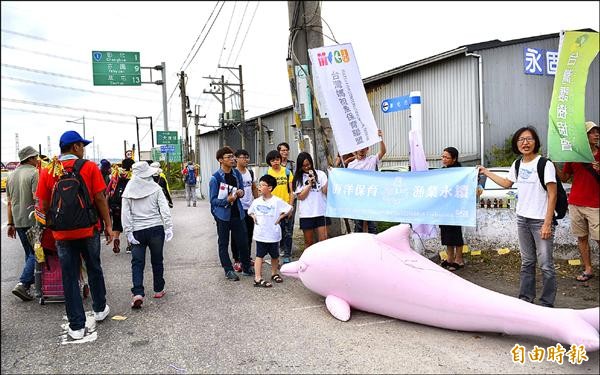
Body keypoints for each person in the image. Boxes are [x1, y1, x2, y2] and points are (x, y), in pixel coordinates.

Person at [36, 130, 114, 340]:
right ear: (76, 147)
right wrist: (108, 224)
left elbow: (42, 205)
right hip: (88, 229)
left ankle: (77, 326)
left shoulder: (49, 171)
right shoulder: (88, 167)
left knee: (69, 276)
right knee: (94, 267)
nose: (83, 149)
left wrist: (48, 228)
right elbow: (99, 197)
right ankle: (99, 309)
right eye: (82, 145)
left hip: (61, 234)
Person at [478, 126, 557, 307]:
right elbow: (506, 183)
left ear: (536, 142)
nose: (525, 143)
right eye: (521, 140)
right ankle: (525, 299)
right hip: (522, 219)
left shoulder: (545, 164)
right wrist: (487, 172)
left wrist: (547, 223)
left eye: (529, 139)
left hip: (540, 221)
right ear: (516, 143)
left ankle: (546, 302)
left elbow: (553, 195)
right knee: (527, 262)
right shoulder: (518, 164)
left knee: (546, 265)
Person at [121, 162, 173, 308]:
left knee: (137, 263)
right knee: (157, 260)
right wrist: (168, 227)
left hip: (137, 231)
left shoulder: (128, 190)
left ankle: (138, 292)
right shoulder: (156, 188)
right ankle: (158, 289)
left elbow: (125, 214)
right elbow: (164, 209)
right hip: (156, 229)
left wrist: (128, 232)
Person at [557, 121, 600, 282]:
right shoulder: (574, 155)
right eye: (592, 132)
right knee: (582, 237)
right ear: (584, 136)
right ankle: (588, 269)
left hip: (595, 204)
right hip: (575, 203)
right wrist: (553, 165)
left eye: (597, 131)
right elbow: (564, 177)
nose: (596, 134)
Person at [208, 146, 254, 281]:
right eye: (228, 157)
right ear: (220, 160)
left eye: (232, 156)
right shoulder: (215, 178)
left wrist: (241, 193)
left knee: (243, 241)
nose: (232, 159)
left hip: (237, 213)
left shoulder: (236, 174)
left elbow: (241, 190)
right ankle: (228, 270)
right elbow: (213, 200)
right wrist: (226, 200)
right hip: (222, 215)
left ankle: (246, 267)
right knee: (223, 243)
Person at [7, 146, 39, 301]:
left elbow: (9, 203)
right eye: (36, 157)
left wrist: (10, 224)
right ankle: (23, 283)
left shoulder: (11, 175)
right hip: (32, 220)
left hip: (18, 221)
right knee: (36, 253)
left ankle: (28, 284)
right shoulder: (34, 173)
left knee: (29, 252)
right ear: (31, 158)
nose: (38, 160)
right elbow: (36, 198)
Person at [248, 175, 292, 287]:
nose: (260, 187)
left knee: (274, 255)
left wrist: (280, 218)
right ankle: (257, 278)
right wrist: (253, 216)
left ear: (270, 188)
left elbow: (289, 208)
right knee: (259, 255)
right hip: (261, 234)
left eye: (263, 185)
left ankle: (274, 273)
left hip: (273, 233)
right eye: (260, 184)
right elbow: (250, 211)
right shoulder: (257, 201)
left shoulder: (277, 201)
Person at [347, 129, 387, 234]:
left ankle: (374, 247)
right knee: (358, 226)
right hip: (357, 199)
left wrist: (380, 139)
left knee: (372, 226)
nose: (361, 150)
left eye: (364, 147)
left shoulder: (372, 160)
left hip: (371, 198)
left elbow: (383, 152)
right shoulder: (351, 165)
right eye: (359, 148)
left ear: (367, 149)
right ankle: (359, 248)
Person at [293, 152, 330, 249]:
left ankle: (324, 262)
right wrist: (309, 185)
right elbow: (301, 197)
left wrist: (331, 177)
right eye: (304, 166)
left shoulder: (320, 174)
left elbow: (325, 191)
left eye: (308, 164)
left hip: (321, 212)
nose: (306, 167)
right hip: (307, 214)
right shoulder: (298, 179)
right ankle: (307, 263)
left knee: (324, 240)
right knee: (309, 242)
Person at [231, 149, 258, 272]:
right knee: (237, 235)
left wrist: (257, 203)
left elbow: (254, 188)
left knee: (249, 234)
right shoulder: (233, 173)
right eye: (243, 157)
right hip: (237, 208)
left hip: (250, 208)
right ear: (236, 158)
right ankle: (237, 260)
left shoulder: (250, 172)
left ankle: (246, 257)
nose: (246, 160)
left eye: (247, 157)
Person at [266, 150, 295, 264]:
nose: (275, 162)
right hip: (273, 208)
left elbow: (291, 191)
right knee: (276, 232)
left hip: (286, 206)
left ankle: (287, 254)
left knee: (288, 232)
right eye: (273, 160)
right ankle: (276, 255)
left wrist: (290, 207)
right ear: (269, 162)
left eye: (277, 159)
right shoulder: (268, 174)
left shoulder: (287, 172)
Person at [439, 147, 465, 271]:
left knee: (455, 233)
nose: (443, 159)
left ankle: (459, 259)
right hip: (444, 207)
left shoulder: (461, 172)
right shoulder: (442, 171)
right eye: (442, 156)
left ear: (454, 159)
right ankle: (449, 258)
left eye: (446, 157)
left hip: (456, 208)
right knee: (446, 233)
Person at [106, 158, 134, 253]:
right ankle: (129, 245)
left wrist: (108, 204)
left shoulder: (116, 173)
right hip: (128, 202)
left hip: (115, 203)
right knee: (129, 223)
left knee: (117, 223)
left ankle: (116, 240)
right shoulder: (132, 175)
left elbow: (109, 189)